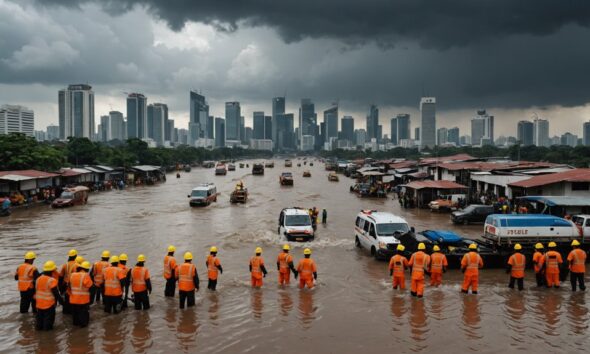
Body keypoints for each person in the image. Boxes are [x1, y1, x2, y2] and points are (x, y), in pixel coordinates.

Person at [35, 261, 63, 331]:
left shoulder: (38, 279)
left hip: (39, 304)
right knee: (48, 325)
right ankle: (47, 338)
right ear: (52, 271)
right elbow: (56, 293)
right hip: (49, 305)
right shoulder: (51, 280)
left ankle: (39, 338)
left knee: (39, 322)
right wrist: (61, 301)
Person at [69, 261, 93, 327]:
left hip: (73, 299)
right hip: (82, 300)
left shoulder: (72, 274)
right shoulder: (85, 275)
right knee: (83, 317)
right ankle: (83, 332)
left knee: (75, 315)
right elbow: (90, 287)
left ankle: (75, 328)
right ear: (86, 269)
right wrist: (91, 298)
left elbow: (68, 286)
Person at [59, 249, 78, 314]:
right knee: (72, 300)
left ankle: (65, 312)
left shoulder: (65, 265)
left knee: (66, 300)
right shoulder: (77, 265)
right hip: (72, 285)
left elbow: (60, 276)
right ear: (76, 256)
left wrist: (60, 287)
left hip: (65, 284)